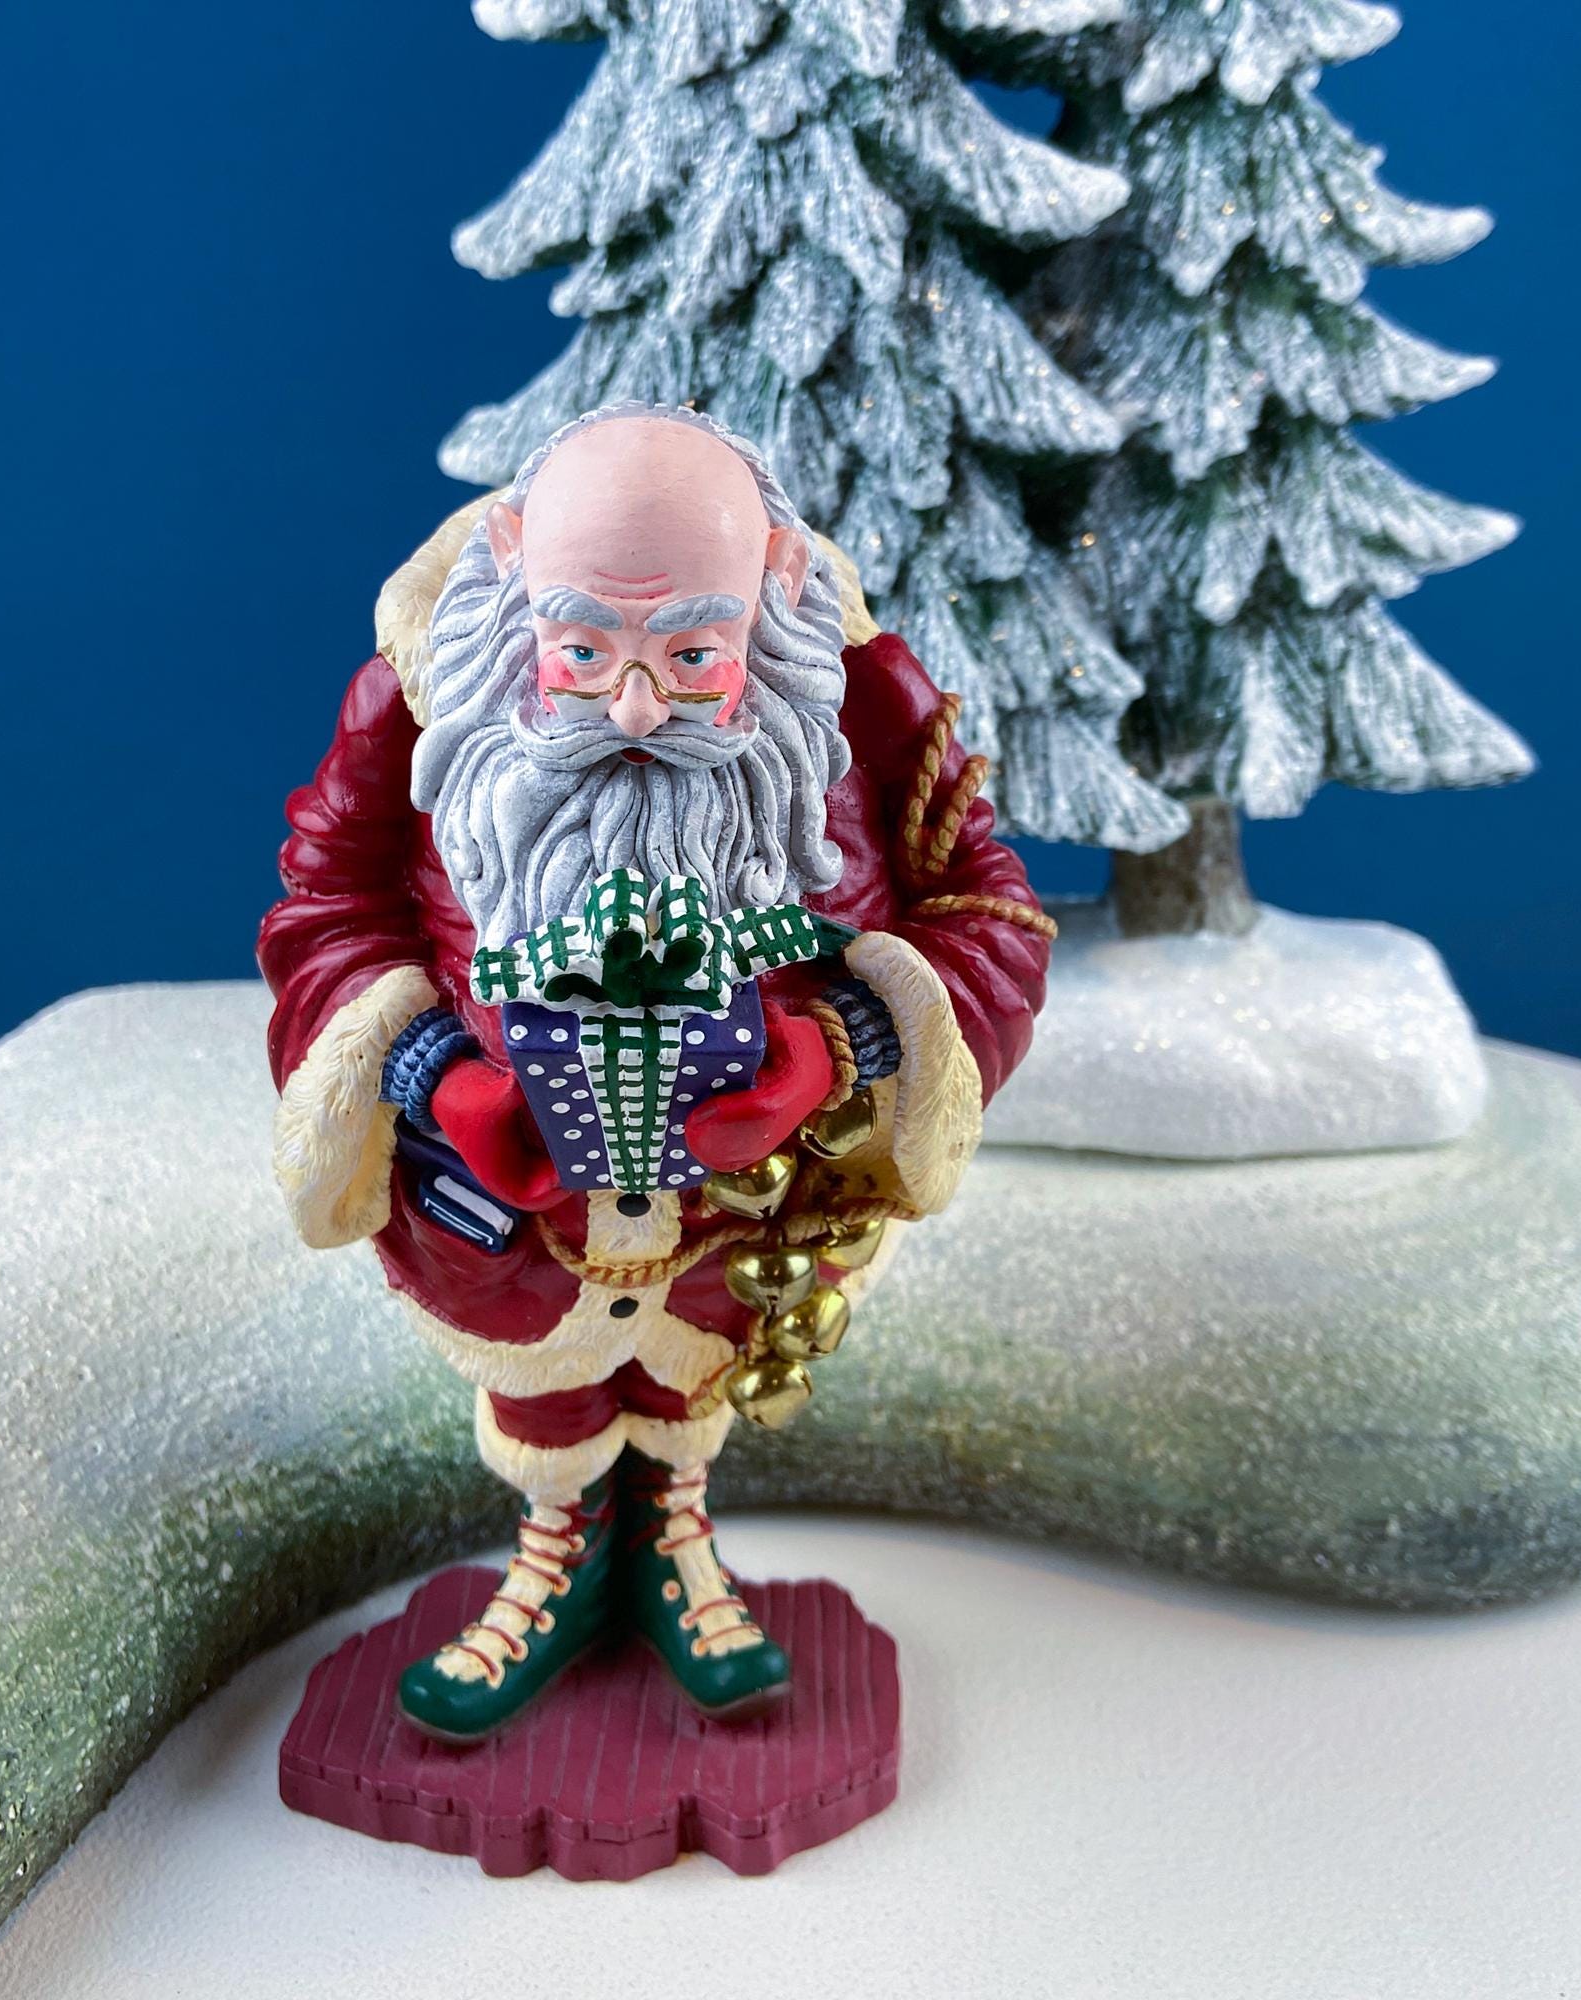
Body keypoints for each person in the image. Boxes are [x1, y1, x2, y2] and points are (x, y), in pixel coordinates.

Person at [260, 404, 1051, 1741]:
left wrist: (844, 1050)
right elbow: (324, 907)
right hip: (500, 1213)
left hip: (748, 1217)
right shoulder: (424, 694)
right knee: (547, 1380)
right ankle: (558, 1548)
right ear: (513, 567)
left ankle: (674, 1532)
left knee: (692, 1369)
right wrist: (432, 1073)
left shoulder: (862, 700)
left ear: (774, 588)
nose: (634, 708)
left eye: (691, 655)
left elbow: (991, 916)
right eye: (583, 651)